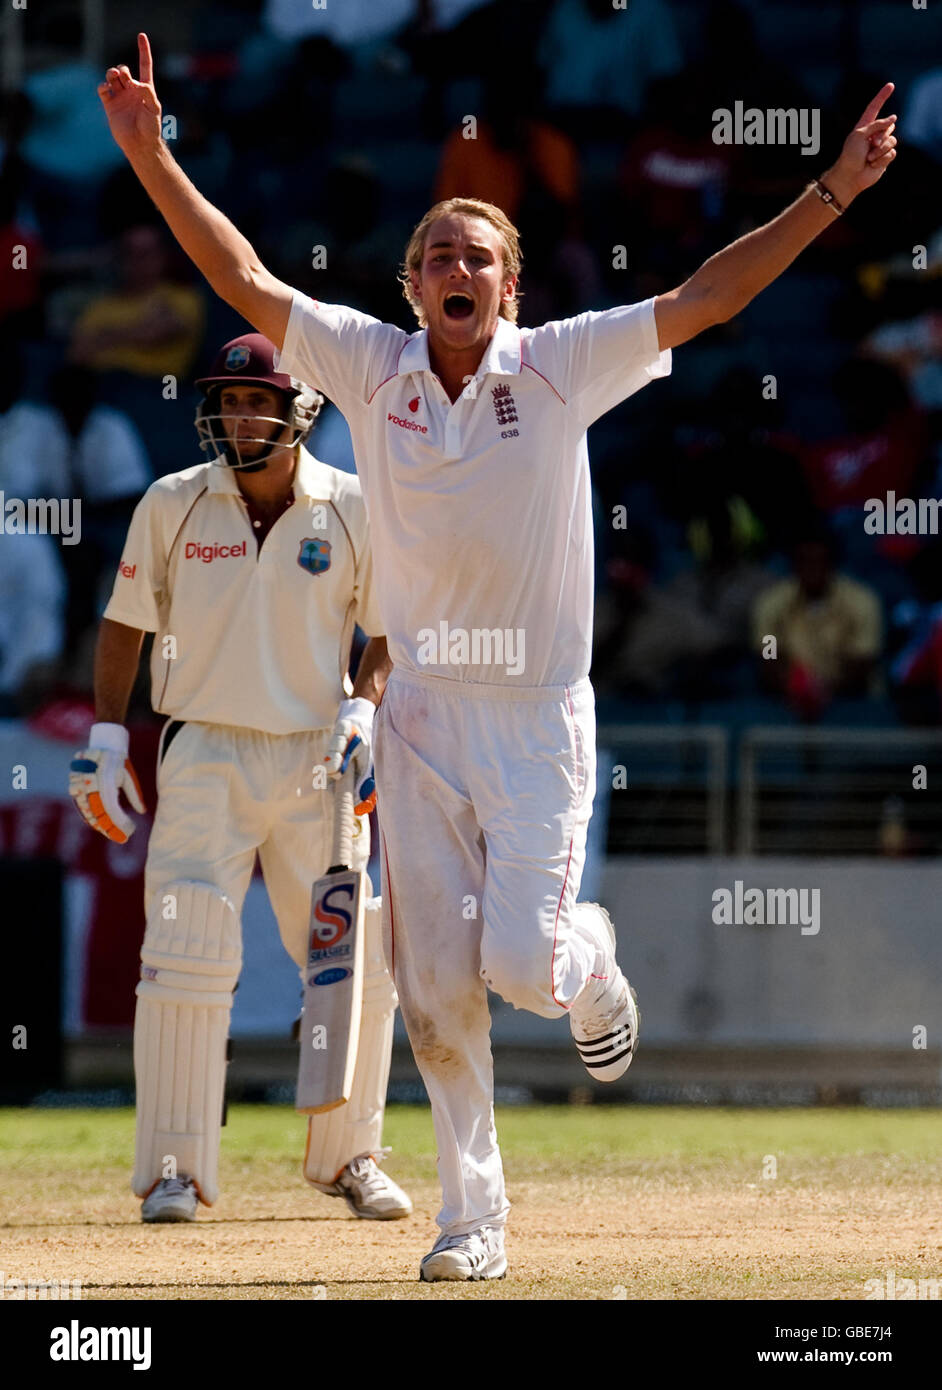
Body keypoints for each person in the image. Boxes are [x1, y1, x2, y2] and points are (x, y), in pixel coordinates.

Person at [96, 32, 897, 1278]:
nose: (455, 269)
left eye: (477, 255)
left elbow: (709, 298)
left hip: (534, 716)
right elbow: (242, 277)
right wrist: (154, 157)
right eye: (436, 256)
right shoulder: (371, 366)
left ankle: (590, 958)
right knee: (433, 994)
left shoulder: (560, 364)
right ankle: (474, 1223)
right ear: (411, 286)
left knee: (523, 966)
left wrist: (834, 188)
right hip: (417, 713)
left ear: (509, 286)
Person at [68, 331, 412, 1226]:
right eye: (228, 402)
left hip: (317, 757)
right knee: (186, 952)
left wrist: (362, 708)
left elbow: (386, 630)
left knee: (351, 955)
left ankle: (351, 1157)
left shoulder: (353, 504)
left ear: (300, 412)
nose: (241, 417)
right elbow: (125, 620)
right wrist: (107, 734)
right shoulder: (172, 501)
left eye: (258, 402)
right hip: (204, 750)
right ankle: (175, 1170)